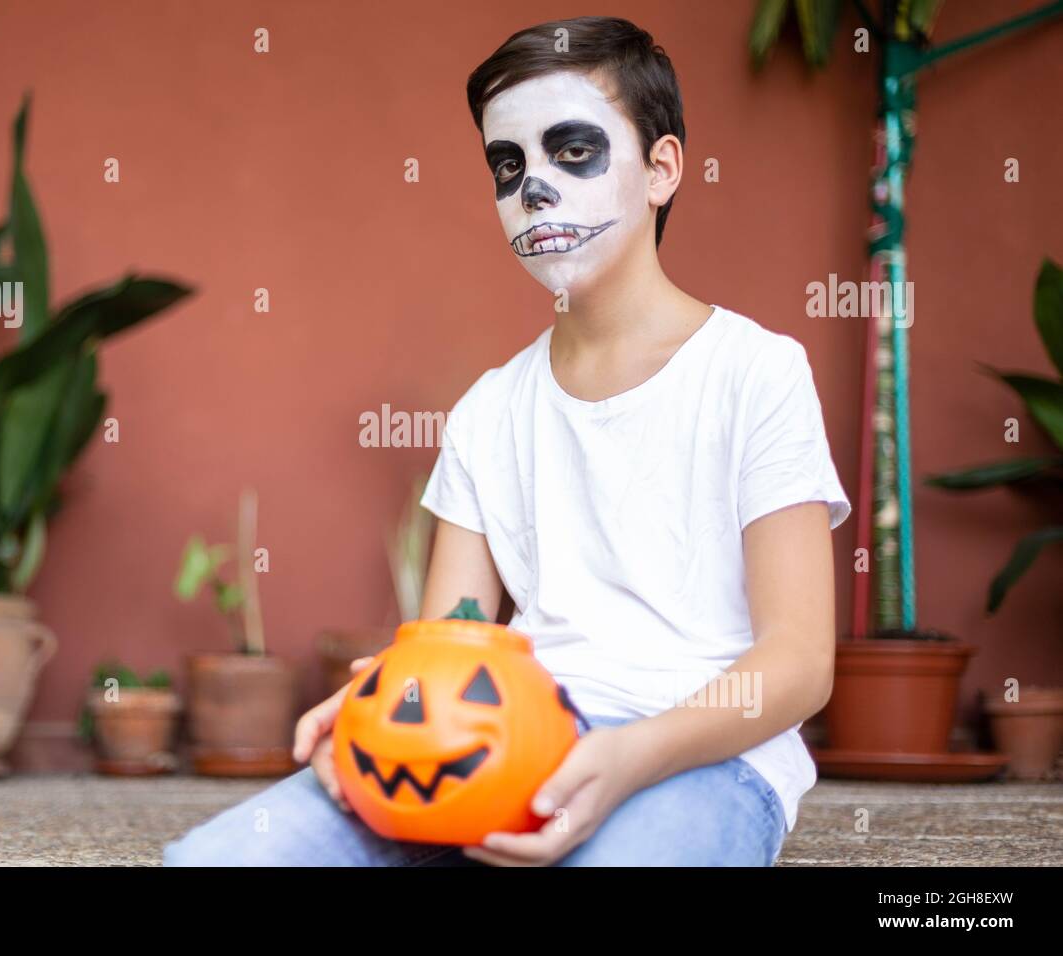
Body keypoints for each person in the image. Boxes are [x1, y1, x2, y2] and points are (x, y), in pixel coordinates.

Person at [165, 15, 849, 867]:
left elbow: (797, 663)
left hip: (710, 758)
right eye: (507, 165)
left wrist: (630, 757)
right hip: (504, 739)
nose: (533, 190)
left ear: (663, 168)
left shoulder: (757, 373)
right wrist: (387, 702)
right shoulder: (490, 411)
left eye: (573, 152)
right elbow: (449, 637)